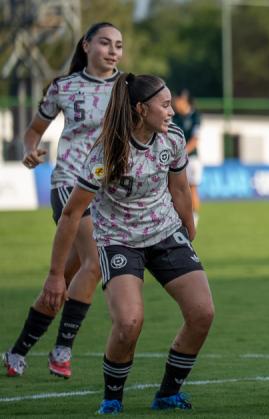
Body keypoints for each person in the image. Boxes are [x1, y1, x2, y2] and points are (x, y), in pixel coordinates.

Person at [46, 73, 214, 414]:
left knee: (202, 313)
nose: (171, 112)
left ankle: (167, 394)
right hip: (119, 241)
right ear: (140, 109)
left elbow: (180, 189)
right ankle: (112, 400)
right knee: (128, 324)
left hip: (166, 233)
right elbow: (72, 213)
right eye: (164, 105)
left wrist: (188, 236)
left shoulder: (173, 140)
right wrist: (55, 274)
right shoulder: (107, 151)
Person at [3, 22, 122, 379]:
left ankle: (17, 351)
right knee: (95, 263)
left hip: (107, 190)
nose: (113, 50)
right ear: (86, 45)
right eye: (105, 42)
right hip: (70, 183)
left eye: (119, 44)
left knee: (62, 280)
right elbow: (33, 131)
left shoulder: (129, 88)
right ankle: (62, 350)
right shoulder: (64, 87)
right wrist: (29, 150)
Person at [172, 89, 203, 226]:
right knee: (176, 189)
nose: (175, 103)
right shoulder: (175, 117)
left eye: (178, 100)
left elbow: (195, 139)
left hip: (192, 159)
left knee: (192, 188)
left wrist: (182, 153)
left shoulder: (195, 116)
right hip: (176, 159)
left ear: (185, 101)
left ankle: (194, 218)